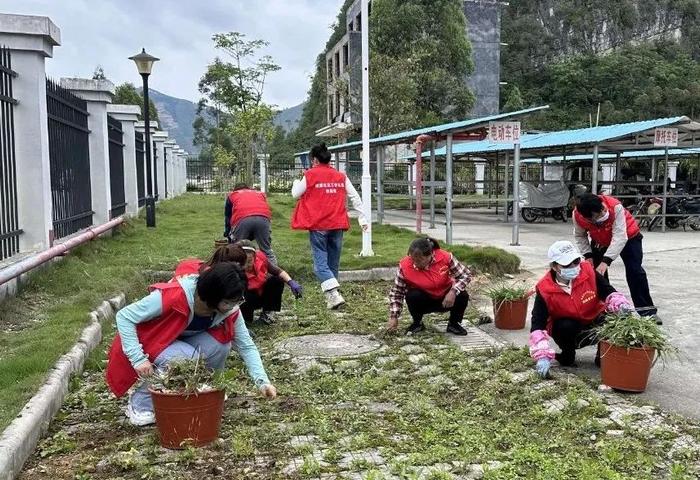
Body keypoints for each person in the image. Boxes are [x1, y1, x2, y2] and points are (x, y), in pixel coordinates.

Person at [105, 262, 277, 426]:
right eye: (227, 302)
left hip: (179, 341)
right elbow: (124, 316)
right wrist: (138, 358)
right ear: (211, 296)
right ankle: (140, 405)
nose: (232, 306)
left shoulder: (230, 309)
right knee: (185, 357)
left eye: (236, 301)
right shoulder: (173, 295)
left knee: (221, 344)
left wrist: (262, 382)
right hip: (151, 341)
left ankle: (204, 388)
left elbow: (246, 345)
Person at [529, 240, 636, 378]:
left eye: (576, 261)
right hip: (569, 329)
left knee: (612, 317)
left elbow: (608, 291)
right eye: (567, 264)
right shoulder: (544, 288)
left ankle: (603, 353)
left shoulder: (587, 270)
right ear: (555, 267)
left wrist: (620, 304)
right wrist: (541, 355)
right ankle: (568, 354)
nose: (574, 266)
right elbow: (538, 324)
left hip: (594, 320)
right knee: (564, 326)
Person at [291, 143, 368, 309]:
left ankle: (334, 294)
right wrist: (362, 219)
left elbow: (295, 194)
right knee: (333, 263)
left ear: (316, 160)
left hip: (318, 225)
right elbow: (355, 197)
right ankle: (332, 297)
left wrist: (296, 181)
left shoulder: (310, 175)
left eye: (312, 160)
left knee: (320, 264)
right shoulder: (341, 176)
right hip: (338, 224)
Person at [573, 193, 659, 323]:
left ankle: (647, 311)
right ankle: (606, 311)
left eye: (602, 211)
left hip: (629, 237)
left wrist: (606, 261)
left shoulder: (615, 206)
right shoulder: (578, 216)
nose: (603, 214)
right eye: (597, 217)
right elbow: (580, 236)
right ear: (589, 219)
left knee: (635, 271)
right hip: (600, 240)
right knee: (597, 275)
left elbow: (620, 236)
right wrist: (588, 255)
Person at [386, 237, 472, 336]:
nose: (415, 263)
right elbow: (397, 292)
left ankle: (454, 324)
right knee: (412, 295)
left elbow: (466, 275)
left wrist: (453, 291)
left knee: (462, 295)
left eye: (419, 260)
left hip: (446, 300)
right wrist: (394, 317)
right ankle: (417, 323)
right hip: (425, 301)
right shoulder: (404, 265)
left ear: (430, 255)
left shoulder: (445, 257)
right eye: (413, 259)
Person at [235, 240, 303, 325]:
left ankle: (268, 313)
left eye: (249, 261)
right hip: (242, 300)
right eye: (242, 262)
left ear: (254, 257)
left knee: (276, 281)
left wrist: (291, 282)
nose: (246, 265)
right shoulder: (233, 268)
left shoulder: (260, 258)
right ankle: (243, 320)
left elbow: (278, 271)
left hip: (259, 295)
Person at [224, 183, 277, 265]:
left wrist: (227, 232)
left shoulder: (232, 195)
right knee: (267, 250)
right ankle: (275, 274)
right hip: (263, 218)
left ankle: (235, 272)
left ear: (235, 190)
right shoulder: (259, 194)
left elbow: (228, 216)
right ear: (249, 188)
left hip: (242, 219)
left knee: (237, 250)